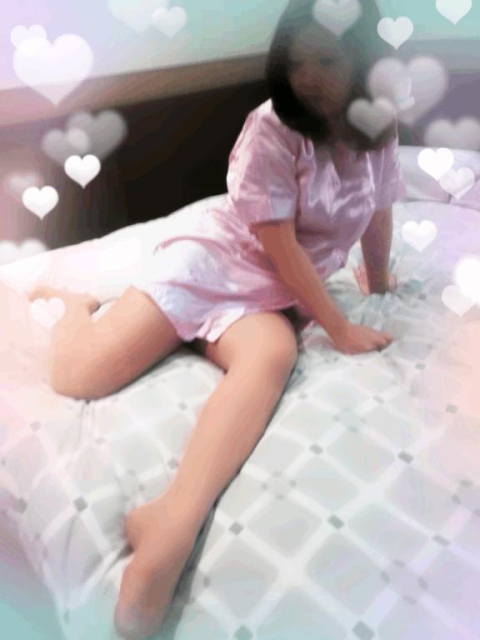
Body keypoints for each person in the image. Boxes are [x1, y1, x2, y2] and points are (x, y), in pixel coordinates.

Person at [26, 0, 407, 637]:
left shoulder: (378, 125)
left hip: (276, 291)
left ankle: (171, 522)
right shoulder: (271, 129)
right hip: (221, 258)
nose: (307, 77)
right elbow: (279, 245)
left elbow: (379, 204)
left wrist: (382, 279)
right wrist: (338, 327)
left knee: (273, 355)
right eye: (297, 62)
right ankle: (75, 304)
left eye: (327, 60)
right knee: (78, 375)